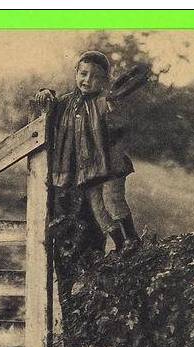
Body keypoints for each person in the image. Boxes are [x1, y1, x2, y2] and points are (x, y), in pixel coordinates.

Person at [35, 51, 151, 251]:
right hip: (89, 168)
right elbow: (51, 106)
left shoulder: (105, 101)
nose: (87, 80)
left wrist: (114, 108)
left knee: (112, 199)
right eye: (83, 73)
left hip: (110, 164)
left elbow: (119, 124)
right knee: (97, 208)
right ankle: (122, 245)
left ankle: (133, 240)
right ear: (75, 73)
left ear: (104, 80)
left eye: (95, 76)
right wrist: (46, 91)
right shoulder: (67, 102)